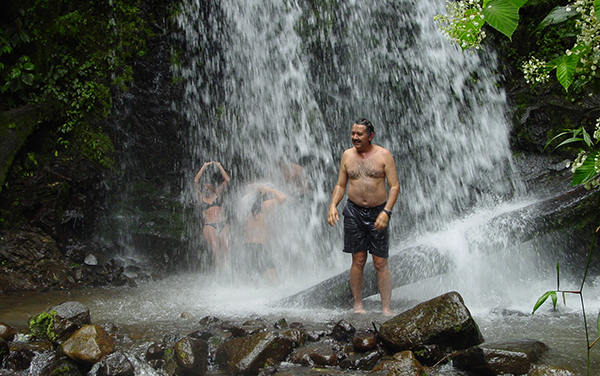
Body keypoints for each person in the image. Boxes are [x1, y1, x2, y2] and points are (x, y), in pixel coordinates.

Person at [327, 118, 400, 316]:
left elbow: (394, 186)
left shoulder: (384, 155)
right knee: (358, 260)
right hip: (353, 211)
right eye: (353, 133)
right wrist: (333, 205)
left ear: (370, 136)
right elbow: (341, 185)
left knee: (380, 262)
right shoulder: (347, 156)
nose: (355, 137)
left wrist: (387, 212)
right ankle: (358, 305)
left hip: (379, 212)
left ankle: (386, 308)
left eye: (359, 134)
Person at [243, 184, 287, 284]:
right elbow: (283, 197)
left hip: (248, 248)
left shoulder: (247, 208)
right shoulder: (264, 205)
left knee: (258, 283)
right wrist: (269, 189)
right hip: (259, 248)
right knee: (275, 282)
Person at [194, 161, 231, 272]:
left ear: (213, 188)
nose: (208, 190)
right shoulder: (200, 197)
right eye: (206, 188)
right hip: (209, 225)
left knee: (226, 250)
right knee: (216, 251)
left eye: (210, 188)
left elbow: (227, 180)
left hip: (223, 223)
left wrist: (219, 165)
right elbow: (196, 181)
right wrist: (204, 166)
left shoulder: (218, 193)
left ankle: (228, 274)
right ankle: (219, 275)